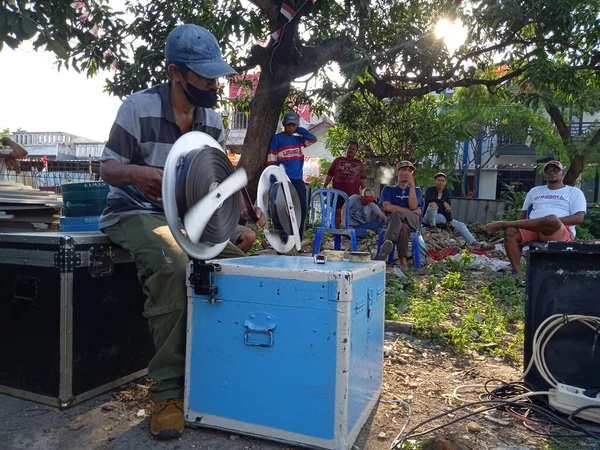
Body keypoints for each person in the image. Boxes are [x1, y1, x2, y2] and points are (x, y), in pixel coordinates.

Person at [98, 24, 266, 440]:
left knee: (244, 270)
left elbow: (218, 182)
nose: (213, 83)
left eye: (215, 75)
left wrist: (242, 220)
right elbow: (106, 168)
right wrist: (136, 173)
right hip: (135, 211)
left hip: (189, 219)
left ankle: (223, 375)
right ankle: (167, 394)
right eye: (204, 75)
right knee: (173, 263)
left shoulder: (210, 119)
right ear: (175, 72)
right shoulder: (136, 108)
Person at [484, 160, 587, 275]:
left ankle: (504, 223)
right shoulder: (535, 191)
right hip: (532, 230)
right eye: (548, 170)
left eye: (556, 170)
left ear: (562, 173)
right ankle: (518, 275)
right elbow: (523, 217)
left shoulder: (574, 192)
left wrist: (548, 222)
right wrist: (539, 223)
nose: (552, 172)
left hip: (558, 231)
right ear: (544, 175)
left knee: (551, 219)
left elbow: (579, 218)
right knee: (510, 231)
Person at [267, 111, 317, 238]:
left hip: (297, 180)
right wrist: (273, 181)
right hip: (282, 180)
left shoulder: (299, 140)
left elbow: (313, 139)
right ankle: (283, 238)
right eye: (289, 125)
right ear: (284, 124)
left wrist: (300, 130)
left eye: (293, 125)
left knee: (301, 208)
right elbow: (271, 160)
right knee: (281, 210)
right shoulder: (277, 138)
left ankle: (297, 238)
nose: (291, 128)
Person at [423, 172, 494, 251]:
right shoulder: (430, 190)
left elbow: (448, 209)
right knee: (433, 204)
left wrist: (449, 220)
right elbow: (430, 199)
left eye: (443, 181)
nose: (440, 183)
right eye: (438, 180)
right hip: (427, 218)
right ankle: (433, 227)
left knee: (461, 225)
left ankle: (475, 243)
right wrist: (443, 202)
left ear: (445, 182)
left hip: (439, 217)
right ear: (434, 181)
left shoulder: (446, 193)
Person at [378, 161, 422, 267]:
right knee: (403, 227)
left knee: (397, 213)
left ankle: (388, 241)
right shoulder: (388, 189)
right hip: (394, 222)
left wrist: (411, 187)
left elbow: (413, 206)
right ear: (397, 172)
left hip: (413, 221)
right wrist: (409, 211)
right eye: (403, 170)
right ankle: (403, 261)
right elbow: (387, 207)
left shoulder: (416, 190)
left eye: (409, 171)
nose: (406, 173)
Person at [323, 141, 367, 227]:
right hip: (337, 193)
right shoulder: (337, 160)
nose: (351, 150)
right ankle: (335, 233)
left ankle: (346, 233)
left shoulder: (359, 164)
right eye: (349, 148)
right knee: (337, 212)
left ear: (356, 151)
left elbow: (363, 179)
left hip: (352, 195)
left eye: (353, 149)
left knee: (349, 214)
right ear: (346, 149)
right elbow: (330, 174)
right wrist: (324, 186)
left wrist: (365, 192)